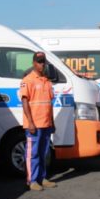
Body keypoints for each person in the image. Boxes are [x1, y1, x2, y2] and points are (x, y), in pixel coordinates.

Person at [20, 51, 58, 191]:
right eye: (39, 61)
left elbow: (49, 103)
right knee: (33, 153)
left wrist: (52, 122)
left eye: (43, 62)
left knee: (44, 153)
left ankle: (42, 178)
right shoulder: (28, 80)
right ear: (34, 63)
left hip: (46, 123)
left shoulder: (47, 81)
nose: (42, 64)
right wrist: (30, 122)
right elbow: (25, 102)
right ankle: (32, 180)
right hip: (34, 124)